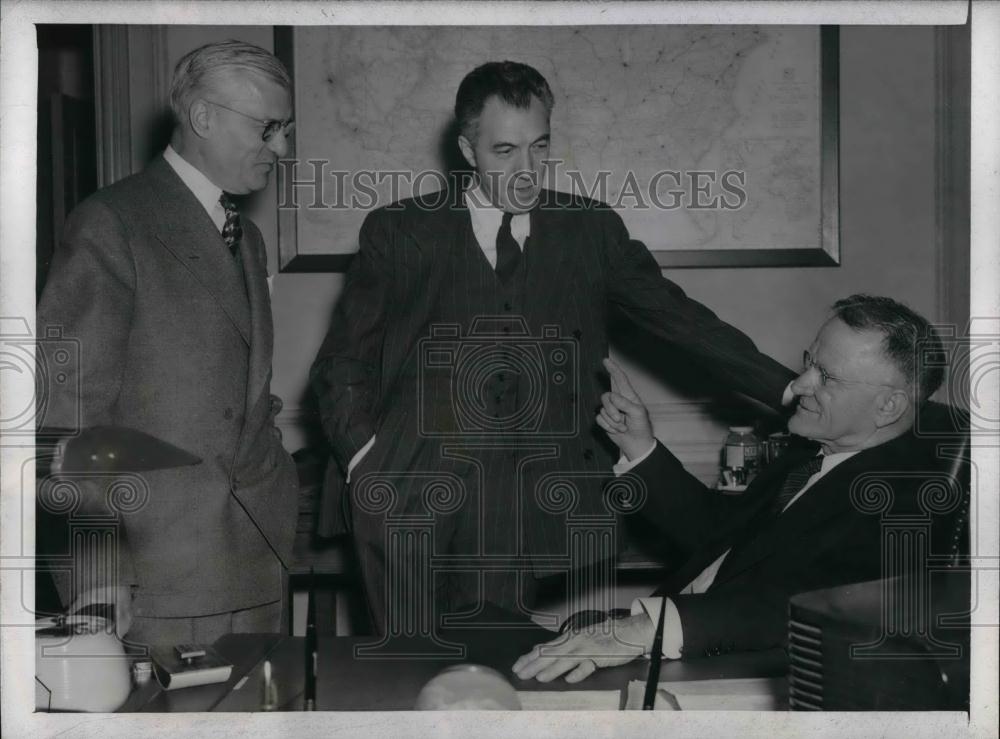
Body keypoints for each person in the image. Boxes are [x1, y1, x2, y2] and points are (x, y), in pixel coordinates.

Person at [310, 60, 796, 635]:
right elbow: (344, 361)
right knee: (404, 671)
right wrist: (366, 461)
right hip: (403, 490)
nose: (526, 171)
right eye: (504, 151)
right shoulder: (399, 231)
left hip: (520, 501)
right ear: (467, 150)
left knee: (491, 673)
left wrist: (791, 390)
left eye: (540, 147)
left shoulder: (588, 231)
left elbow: (680, 319)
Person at [513, 294, 961, 684]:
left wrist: (646, 629)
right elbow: (719, 534)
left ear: (889, 406)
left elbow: (812, 606)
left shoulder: (908, 498)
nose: (799, 384)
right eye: (810, 362)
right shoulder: (809, 454)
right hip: (674, 643)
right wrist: (639, 445)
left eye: (828, 377)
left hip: (729, 668)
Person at [36, 40, 299, 647]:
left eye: (284, 130)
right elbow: (62, 420)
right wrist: (100, 579)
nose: (281, 149)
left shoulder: (248, 236)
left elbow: (244, 396)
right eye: (268, 128)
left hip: (254, 566)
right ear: (203, 118)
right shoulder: (111, 223)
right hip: (152, 585)